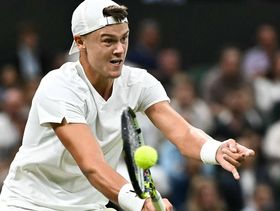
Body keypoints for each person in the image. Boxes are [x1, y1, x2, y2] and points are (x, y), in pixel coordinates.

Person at [0, 0, 254, 210]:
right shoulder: (58, 87)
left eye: (124, 38)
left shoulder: (139, 82)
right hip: (29, 204)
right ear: (80, 42)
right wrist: (139, 203)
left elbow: (183, 132)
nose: (120, 49)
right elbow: (92, 165)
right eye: (108, 41)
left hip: (90, 205)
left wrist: (215, 149)